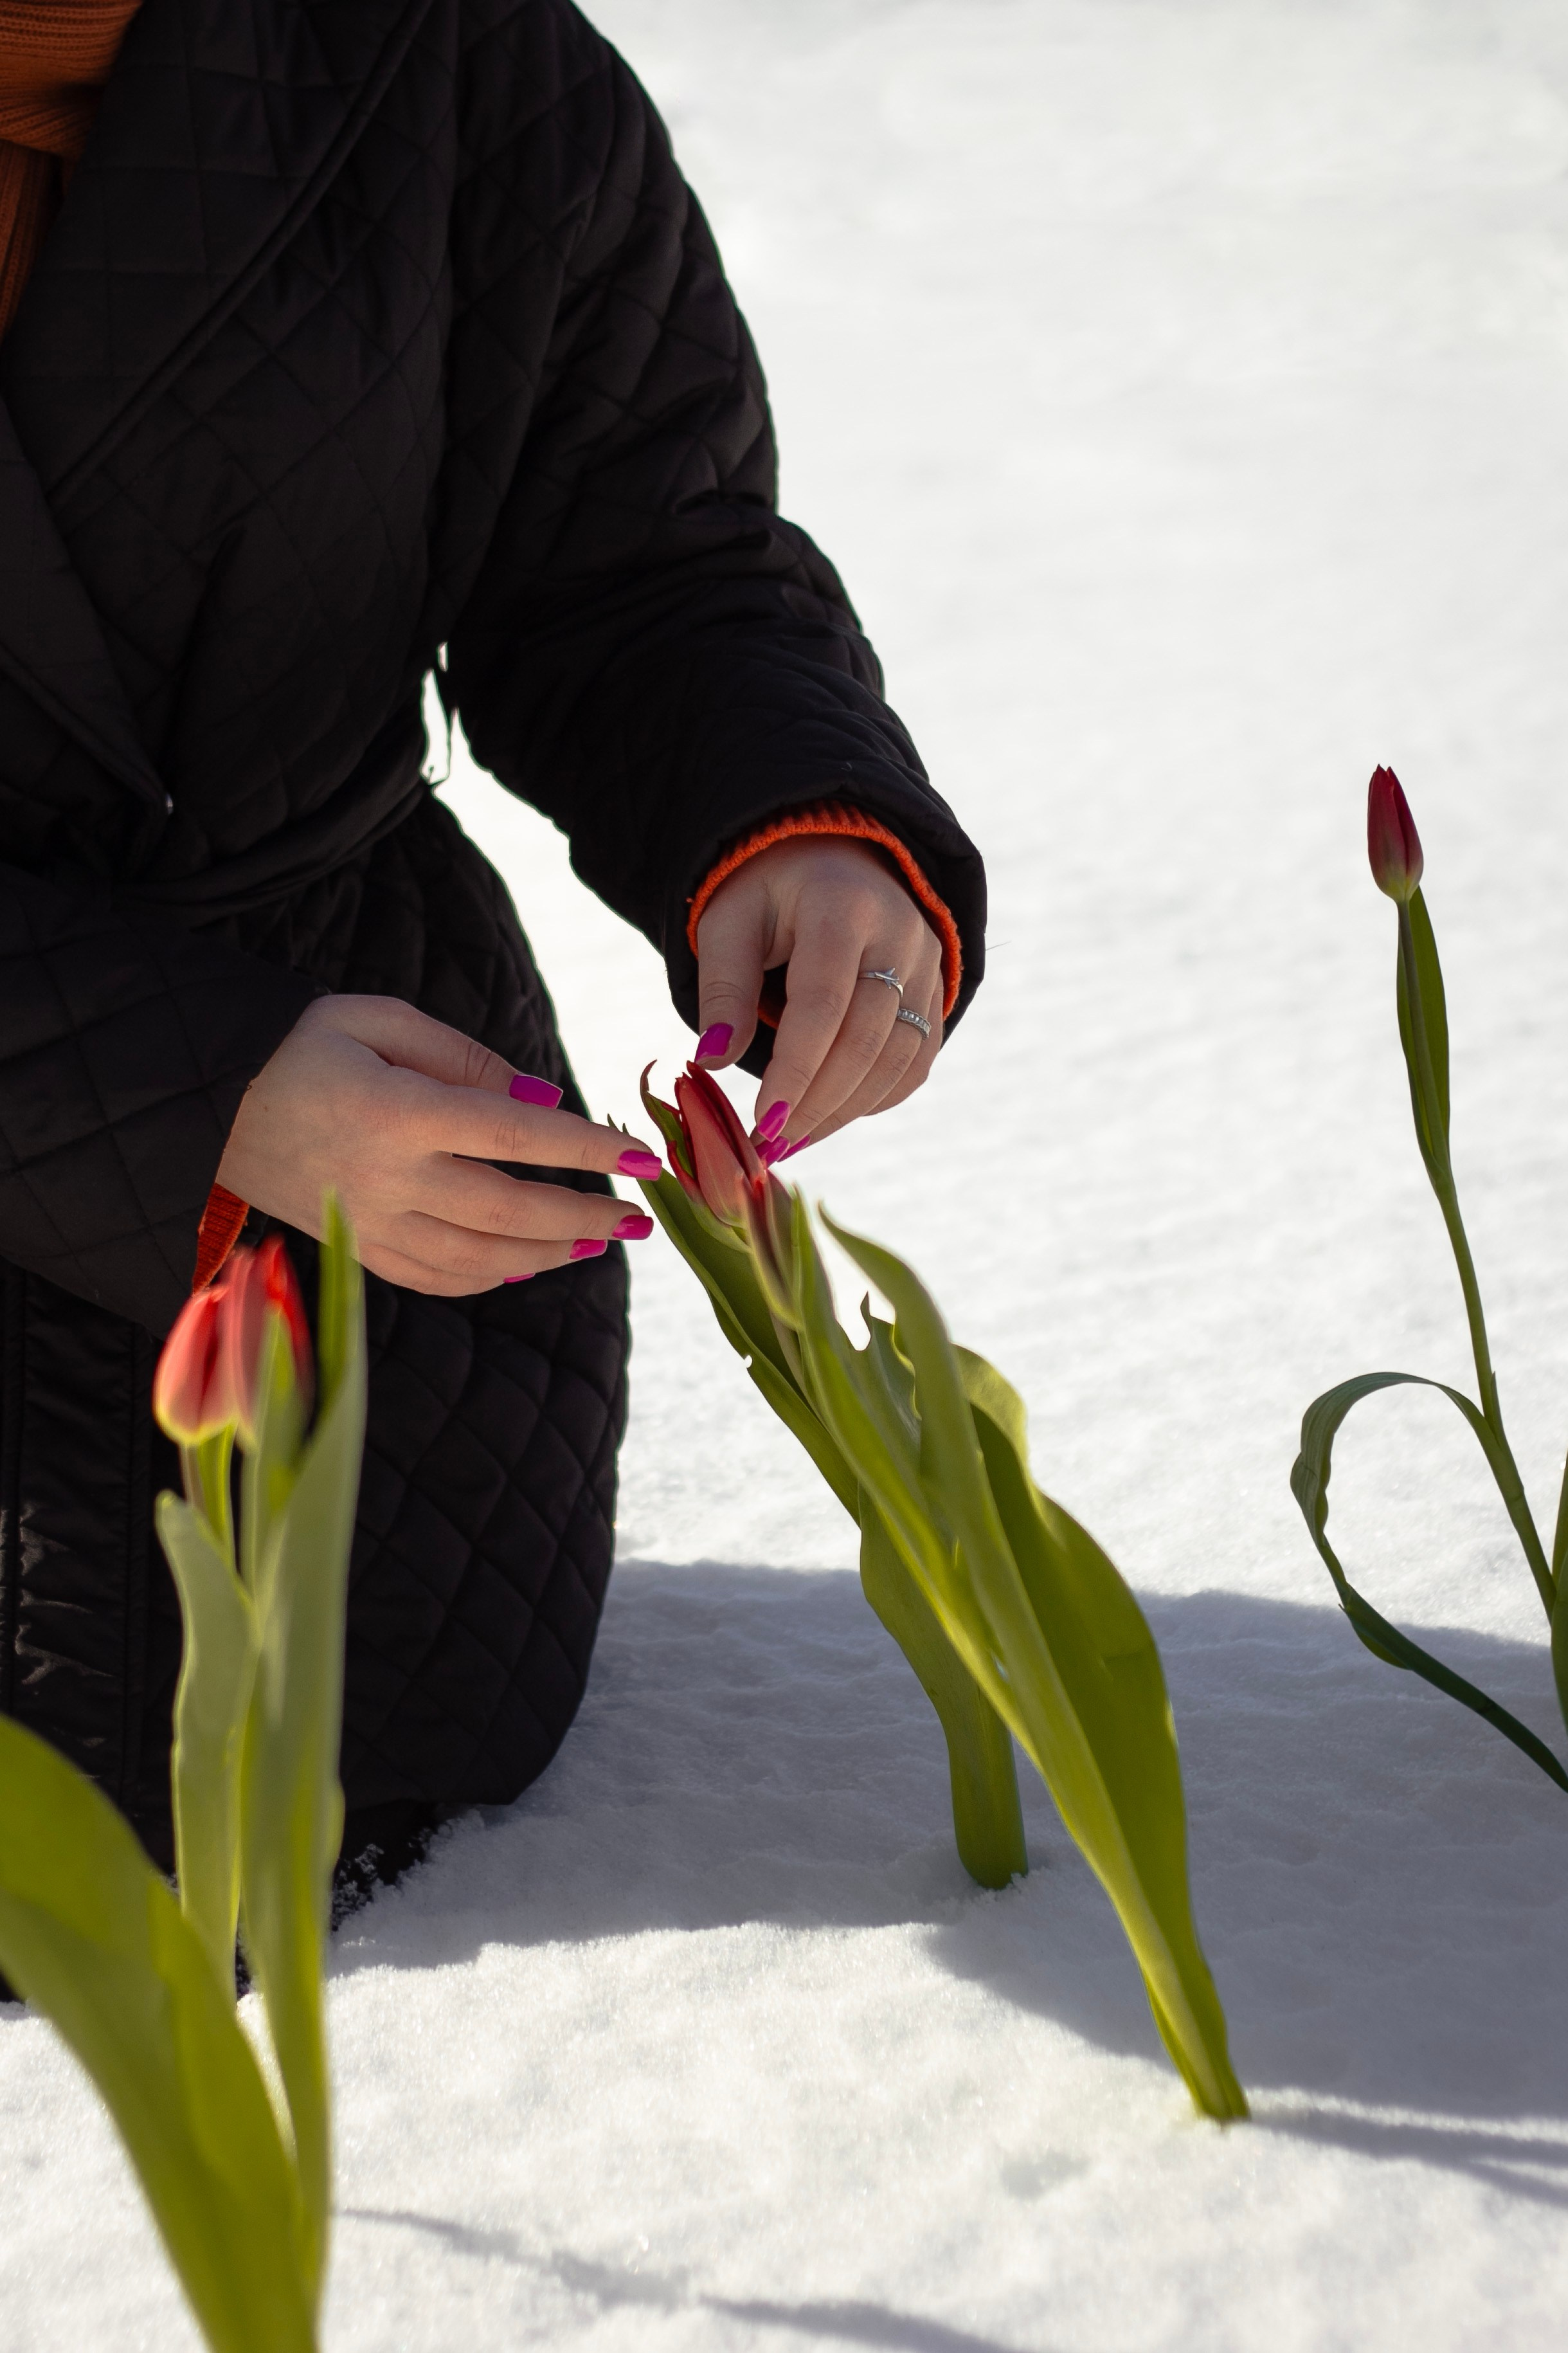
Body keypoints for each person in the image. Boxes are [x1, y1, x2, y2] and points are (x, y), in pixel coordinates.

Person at [0, 0, 986, 1883]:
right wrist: (188, 1088)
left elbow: (636, 559)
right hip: (304, 1138)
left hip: (395, 1320)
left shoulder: (441, 49)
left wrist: (798, 825)